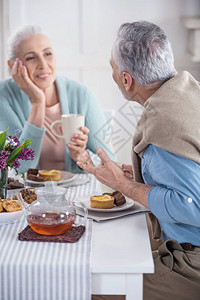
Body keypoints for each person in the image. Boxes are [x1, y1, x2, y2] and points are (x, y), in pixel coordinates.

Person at [78, 21, 200, 300]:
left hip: (191, 263)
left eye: (112, 67)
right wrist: (139, 179)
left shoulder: (165, 122)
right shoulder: (188, 92)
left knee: (89, 289)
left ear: (125, 79)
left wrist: (122, 183)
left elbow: (193, 208)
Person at [0, 24, 116, 173]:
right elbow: (17, 171)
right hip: (26, 195)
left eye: (47, 54)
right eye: (30, 58)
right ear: (13, 66)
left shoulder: (81, 94)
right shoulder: (3, 96)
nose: (43, 65)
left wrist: (81, 156)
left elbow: (111, 164)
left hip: (77, 193)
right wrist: (38, 102)